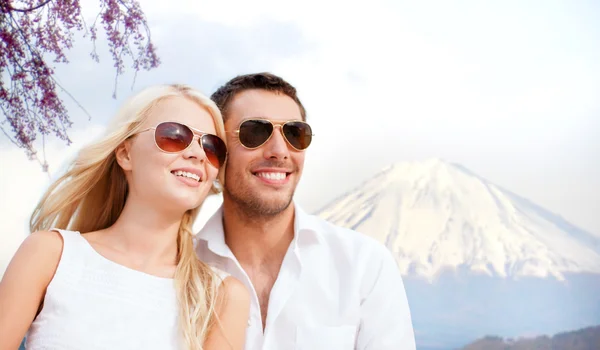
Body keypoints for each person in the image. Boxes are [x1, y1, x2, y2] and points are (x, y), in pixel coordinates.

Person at [0, 84, 250, 350]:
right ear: (125, 154)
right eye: (175, 135)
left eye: (212, 148)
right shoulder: (49, 254)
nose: (198, 154)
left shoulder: (222, 296)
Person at [195, 72, 416, 349]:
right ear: (216, 149)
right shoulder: (180, 269)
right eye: (255, 132)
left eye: (294, 134)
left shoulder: (364, 266)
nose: (279, 151)